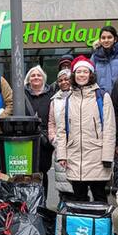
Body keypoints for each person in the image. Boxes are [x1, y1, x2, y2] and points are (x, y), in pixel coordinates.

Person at [56, 56, 116, 203]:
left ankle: (101, 226)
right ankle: (83, 227)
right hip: (74, 157)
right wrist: (62, 155)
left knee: (100, 197)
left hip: (97, 156)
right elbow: (62, 130)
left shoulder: (102, 97)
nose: (81, 75)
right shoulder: (69, 99)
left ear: (90, 74)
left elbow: (109, 129)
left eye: (85, 71)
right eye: (78, 72)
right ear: (73, 75)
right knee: (79, 198)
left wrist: (107, 157)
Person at [25, 65, 56, 195]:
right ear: (28, 79)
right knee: (26, 173)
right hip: (26, 139)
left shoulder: (52, 94)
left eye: (38, 75)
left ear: (43, 78)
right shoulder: (22, 95)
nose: (36, 77)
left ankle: (42, 203)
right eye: (33, 75)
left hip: (44, 140)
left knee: (42, 172)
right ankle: (29, 205)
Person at [48, 68, 74, 200]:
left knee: (78, 183)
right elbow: (51, 122)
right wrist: (53, 139)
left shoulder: (78, 95)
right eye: (60, 80)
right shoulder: (55, 100)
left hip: (77, 145)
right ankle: (64, 209)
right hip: (60, 145)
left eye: (66, 79)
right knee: (62, 182)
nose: (64, 82)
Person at [90, 25, 118, 94]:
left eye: (109, 37)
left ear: (115, 39)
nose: (106, 40)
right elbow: (91, 77)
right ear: (100, 40)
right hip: (100, 96)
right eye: (103, 38)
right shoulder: (95, 56)